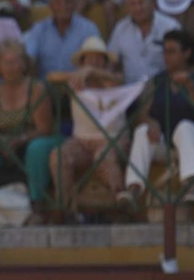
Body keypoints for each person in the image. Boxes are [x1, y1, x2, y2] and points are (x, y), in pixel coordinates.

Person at [125, 28, 194, 208]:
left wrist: (189, 85)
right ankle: (133, 188)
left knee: (185, 127)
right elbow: (142, 115)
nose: (167, 56)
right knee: (142, 132)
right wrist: (151, 122)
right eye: (165, 52)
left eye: (172, 51)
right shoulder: (157, 80)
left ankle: (192, 185)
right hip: (168, 146)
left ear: (187, 53)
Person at [0, 39, 55, 225]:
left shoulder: (37, 89)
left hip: (32, 140)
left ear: (24, 64)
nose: (11, 67)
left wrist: (20, 139)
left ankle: (38, 206)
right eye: (6, 63)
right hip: (3, 145)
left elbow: (44, 128)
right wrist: (2, 142)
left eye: (15, 62)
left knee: (37, 149)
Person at [49, 37, 132, 216]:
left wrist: (92, 72)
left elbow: (118, 80)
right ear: (82, 62)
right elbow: (52, 77)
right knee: (59, 155)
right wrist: (79, 74)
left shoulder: (113, 80)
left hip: (114, 139)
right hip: (82, 142)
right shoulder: (75, 81)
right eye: (89, 58)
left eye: (98, 58)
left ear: (105, 61)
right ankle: (65, 207)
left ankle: (122, 203)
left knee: (104, 156)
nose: (94, 62)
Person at [24, 0, 100, 79]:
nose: (63, 6)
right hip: (47, 88)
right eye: (58, 2)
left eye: (68, 1)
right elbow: (27, 58)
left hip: (79, 87)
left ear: (74, 4)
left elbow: (97, 64)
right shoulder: (39, 29)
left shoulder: (88, 28)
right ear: (50, 6)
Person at [110, 0, 180, 83]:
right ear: (127, 8)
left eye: (141, 2)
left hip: (163, 90)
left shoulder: (170, 26)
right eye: (132, 4)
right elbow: (111, 61)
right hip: (130, 92)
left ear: (152, 3)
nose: (138, 8)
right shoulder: (121, 29)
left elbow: (185, 60)